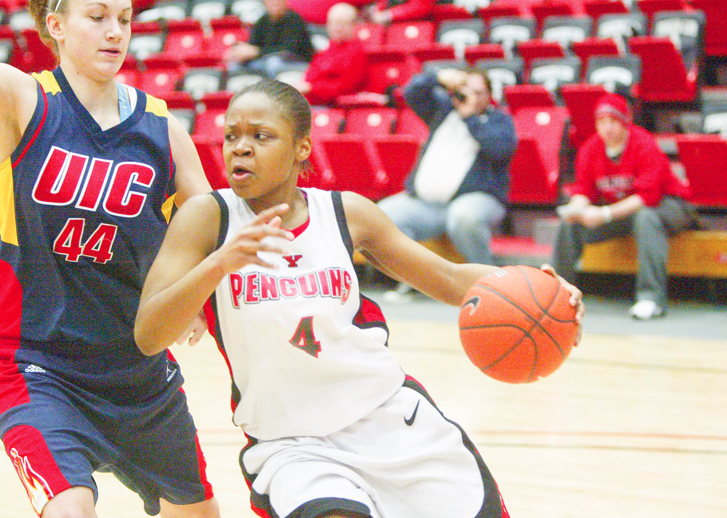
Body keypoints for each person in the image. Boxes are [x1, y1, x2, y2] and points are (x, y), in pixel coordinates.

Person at [134, 78, 585, 518]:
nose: (240, 147)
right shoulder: (207, 218)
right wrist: (218, 265)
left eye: (261, 135)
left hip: (389, 419)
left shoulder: (344, 212)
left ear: (302, 148)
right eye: (231, 135)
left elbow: (449, 278)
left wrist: (540, 284)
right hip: (293, 444)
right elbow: (149, 335)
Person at [0, 0, 221, 517]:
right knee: (70, 508)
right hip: (35, 364)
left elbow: (206, 219)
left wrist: (195, 287)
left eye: (125, 19)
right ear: (56, 27)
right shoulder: (21, 99)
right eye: (98, 17)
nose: (115, 31)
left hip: (137, 372)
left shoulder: (161, 126)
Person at [552, 92, 700, 320]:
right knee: (569, 225)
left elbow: (647, 197)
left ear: (625, 121)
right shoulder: (590, 149)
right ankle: (559, 293)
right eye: (601, 122)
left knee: (646, 218)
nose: (607, 128)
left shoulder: (644, 143)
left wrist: (604, 213)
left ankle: (651, 298)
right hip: (626, 209)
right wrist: (576, 210)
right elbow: (583, 190)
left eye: (613, 121)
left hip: (671, 205)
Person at [377, 67, 517, 300]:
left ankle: (491, 283)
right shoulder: (442, 111)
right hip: (426, 204)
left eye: (477, 92)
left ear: (488, 95)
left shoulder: (499, 120)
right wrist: (440, 77)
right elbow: (412, 92)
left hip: (477, 199)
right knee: (381, 216)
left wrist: (471, 117)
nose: (470, 96)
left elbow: (500, 150)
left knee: (464, 217)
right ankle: (414, 281)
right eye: (465, 90)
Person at [224, 0, 314, 80]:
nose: (275, 2)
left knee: (273, 63)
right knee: (235, 65)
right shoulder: (262, 21)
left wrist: (257, 52)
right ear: (264, 2)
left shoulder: (295, 19)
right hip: (265, 60)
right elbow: (253, 45)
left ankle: (273, 93)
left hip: (296, 62)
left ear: (286, 0)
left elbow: (289, 49)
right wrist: (240, 51)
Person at [294, 2, 368, 106]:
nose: (336, 28)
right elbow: (310, 76)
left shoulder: (356, 52)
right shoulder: (327, 50)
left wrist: (312, 88)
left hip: (333, 106)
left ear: (353, 25)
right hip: (312, 102)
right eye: (332, 23)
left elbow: (347, 87)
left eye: (341, 23)